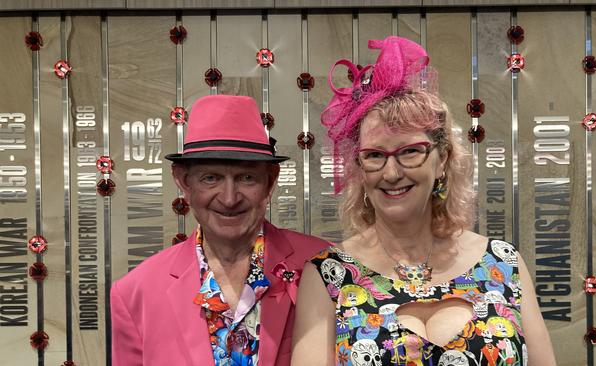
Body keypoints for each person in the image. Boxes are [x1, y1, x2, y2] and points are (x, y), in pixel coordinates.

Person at [292, 36, 555, 366]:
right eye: (374, 156)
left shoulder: (504, 263)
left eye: (410, 152)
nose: (391, 172)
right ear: (359, 167)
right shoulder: (329, 274)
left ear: (442, 159)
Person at [110, 94, 329, 366]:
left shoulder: (325, 265)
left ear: (270, 182)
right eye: (210, 178)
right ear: (184, 182)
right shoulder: (134, 294)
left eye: (246, 178)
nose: (229, 198)